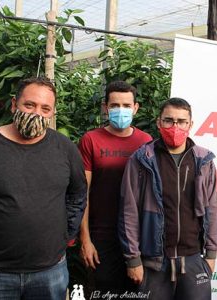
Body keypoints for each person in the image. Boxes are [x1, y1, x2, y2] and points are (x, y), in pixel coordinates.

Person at [0, 77, 87, 299]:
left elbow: (77, 194)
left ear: (52, 113)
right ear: (14, 104)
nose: (36, 113)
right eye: (29, 105)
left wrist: (64, 234)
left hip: (49, 271)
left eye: (45, 108)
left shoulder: (65, 149)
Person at [118, 97, 217, 299]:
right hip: (154, 262)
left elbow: (211, 209)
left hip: (193, 260)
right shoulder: (142, 160)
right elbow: (129, 211)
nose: (175, 126)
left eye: (181, 121)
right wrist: (133, 259)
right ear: (158, 122)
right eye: (169, 120)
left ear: (191, 124)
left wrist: (211, 254)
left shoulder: (203, 160)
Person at [78, 81, 153, 294]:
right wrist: (86, 239)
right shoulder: (91, 140)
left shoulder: (145, 141)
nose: (121, 110)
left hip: (137, 237)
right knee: (105, 291)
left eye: (127, 105)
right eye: (115, 105)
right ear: (105, 107)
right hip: (102, 236)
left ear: (136, 108)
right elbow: (83, 193)